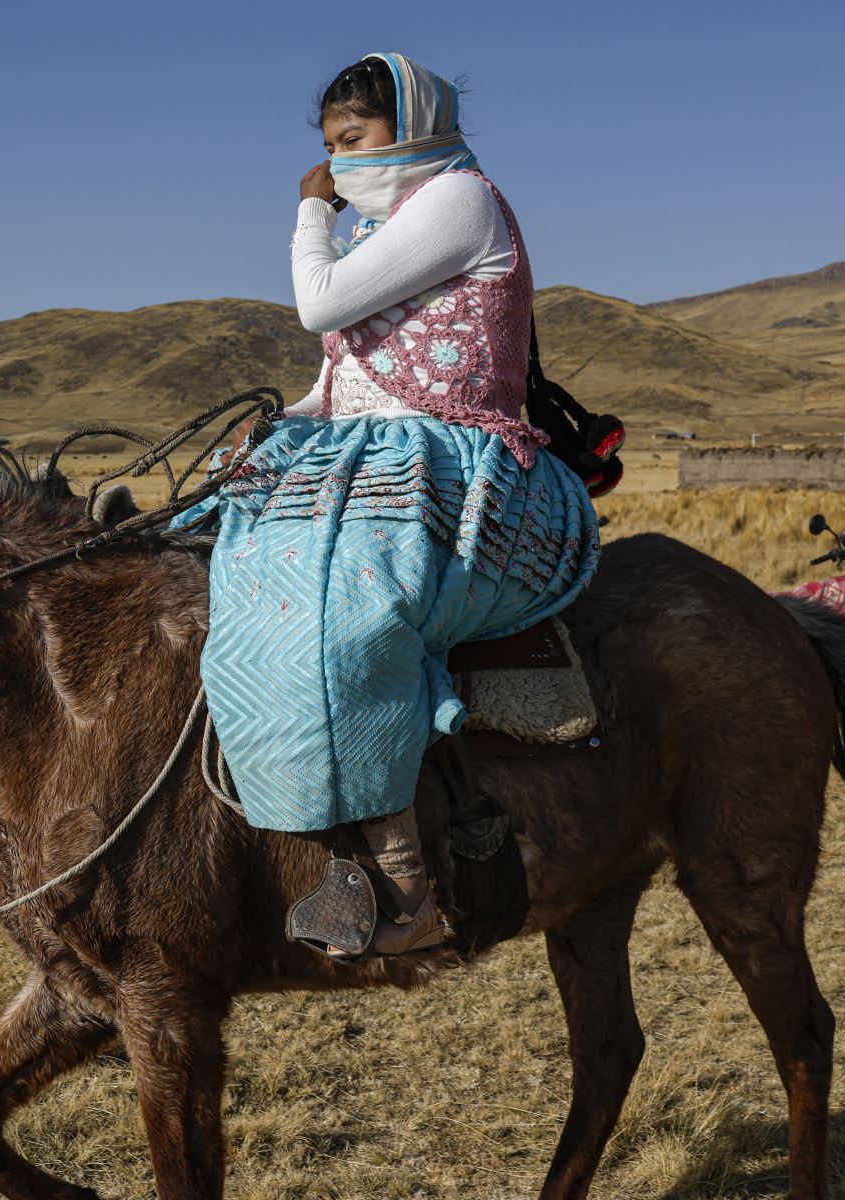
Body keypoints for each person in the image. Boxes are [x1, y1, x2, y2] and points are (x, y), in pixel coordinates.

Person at [193, 54, 599, 957]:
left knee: (347, 605)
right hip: (372, 452)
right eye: (327, 152)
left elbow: (316, 305)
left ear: (414, 128)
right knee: (232, 568)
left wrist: (308, 210)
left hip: (461, 462)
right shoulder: (387, 233)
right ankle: (322, 830)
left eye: (353, 143)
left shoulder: (460, 200)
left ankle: (406, 892)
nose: (338, 168)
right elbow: (339, 380)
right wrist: (274, 428)